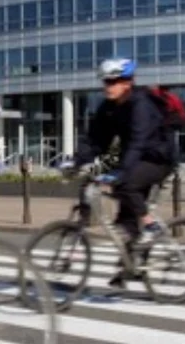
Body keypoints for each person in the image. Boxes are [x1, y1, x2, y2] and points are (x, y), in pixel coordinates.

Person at [75, 58, 178, 287]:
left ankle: (150, 225)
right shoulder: (108, 108)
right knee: (124, 217)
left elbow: (138, 143)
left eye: (114, 81)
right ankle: (131, 267)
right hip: (134, 158)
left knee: (127, 184)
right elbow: (95, 141)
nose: (108, 86)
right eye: (106, 81)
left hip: (158, 158)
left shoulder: (140, 104)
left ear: (128, 82)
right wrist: (76, 161)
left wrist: (119, 172)